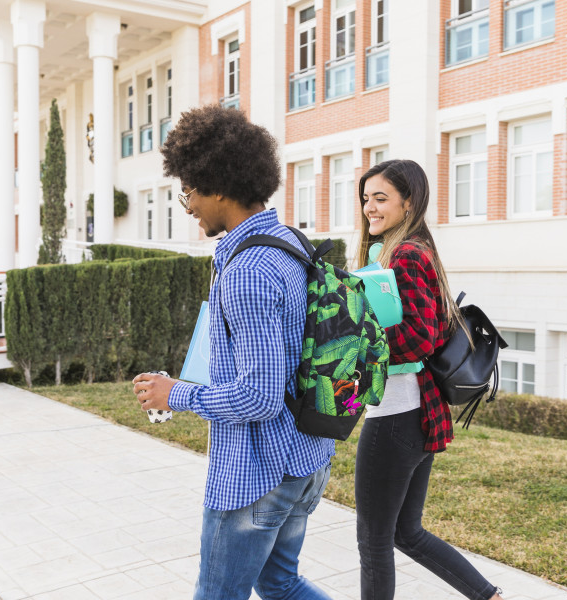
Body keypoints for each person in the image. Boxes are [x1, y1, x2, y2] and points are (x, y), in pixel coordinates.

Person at [131, 105, 334, 600]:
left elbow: (259, 398)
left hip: (257, 473)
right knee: (280, 584)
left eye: (190, 190)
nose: (187, 204)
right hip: (307, 455)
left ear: (218, 185)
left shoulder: (246, 271)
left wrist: (177, 394)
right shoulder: (288, 242)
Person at [352, 159, 504, 600]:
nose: (370, 208)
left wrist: (359, 336)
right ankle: (488, 596)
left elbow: (418, 336)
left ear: (409, 201)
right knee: (406, 531)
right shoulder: (411, 249)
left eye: (380, 198)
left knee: (374, 540)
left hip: (397, 416)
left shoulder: (407, 254)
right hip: (416, 414)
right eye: (366, 199)